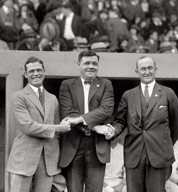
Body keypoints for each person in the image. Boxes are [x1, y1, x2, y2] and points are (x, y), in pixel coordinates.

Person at [107, 56, 178, 192]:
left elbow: (176, 125)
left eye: (149, 68)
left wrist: (164, 144)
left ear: (155, 69)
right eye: (143, 69)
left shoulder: (167, 93)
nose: (146, 72)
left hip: (159, 156)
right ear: (137, 71)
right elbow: (120, 121)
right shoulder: (128, 95)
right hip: (134, 155)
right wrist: (112, 131)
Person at [7, 56, 71, 192]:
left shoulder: (52, 99)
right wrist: (59, 128)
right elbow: (28, 126)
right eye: (31, 71)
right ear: (25, 74)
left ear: (44, 71)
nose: (35, 74)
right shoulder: (18, 97)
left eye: (38, 70)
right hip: (23, 160)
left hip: (48, 162)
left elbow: (58, 135)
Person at [59, 50, 115, 192]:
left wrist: (80, 119)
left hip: (97, 146)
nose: (91, 66)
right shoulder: (67, 85)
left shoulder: (106, 84)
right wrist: (95, 127)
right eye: (87, 63)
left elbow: (106, 109)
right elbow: (67, 113)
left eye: (94, 63)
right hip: (73, 144)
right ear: (78, 64)